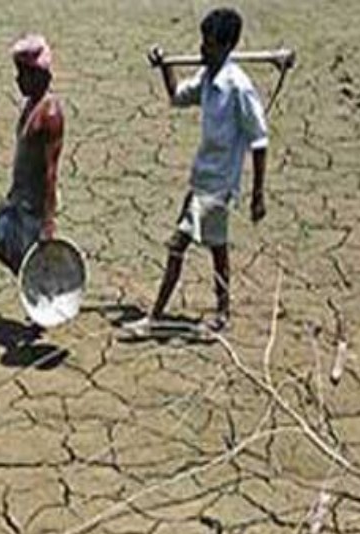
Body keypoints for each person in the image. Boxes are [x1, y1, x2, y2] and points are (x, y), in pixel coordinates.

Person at [128, 7, 268, 335]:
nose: (202, 49)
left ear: (226, 46)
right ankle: (222, 312)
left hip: (219, 187)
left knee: (179, 245)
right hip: (201, 180)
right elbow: (177, 97)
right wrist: (165, 66)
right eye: (202, 42)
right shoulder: (207, 79)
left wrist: (258, 195)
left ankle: (157, 316)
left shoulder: (239, 88)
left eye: (209, 44)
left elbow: (260, 140)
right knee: (216, 249)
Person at [0, 34, 64, 277]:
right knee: (4, 240)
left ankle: (44, 308)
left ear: (40, 74)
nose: (18, 80)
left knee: (34, 265)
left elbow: (50, 170)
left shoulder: (50, 114)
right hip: (21, 198)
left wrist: (48, 220)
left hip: (35, 205)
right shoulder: (31, 104)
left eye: (23, 74)